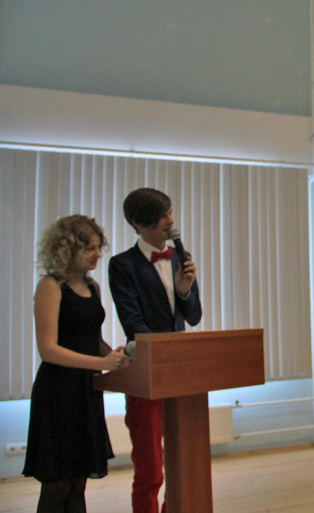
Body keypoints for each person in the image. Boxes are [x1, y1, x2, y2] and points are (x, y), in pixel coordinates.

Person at [23, 215, 131, 512]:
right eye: (89, 248)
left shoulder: (92, 286)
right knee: (58, 482)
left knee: (78, 481)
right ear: (67, 249)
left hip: (86, 389)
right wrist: (101, 361)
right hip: (58, 391)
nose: (97, 254)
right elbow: (48, 350)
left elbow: (92, 339)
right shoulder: (50, 286)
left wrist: (118, 356)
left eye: (98, 247)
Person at [108, 187, 202, 513]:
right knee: (150, 468)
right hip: (146, 370)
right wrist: (163, 355)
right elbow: (133, 322)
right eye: (161, 216)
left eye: (170, 212)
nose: (170, 221)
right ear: (138, 222)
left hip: (179, 371)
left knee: (182, 465)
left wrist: (184, 291)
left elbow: (194, 317)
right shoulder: (122, 265)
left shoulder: (180, 256)